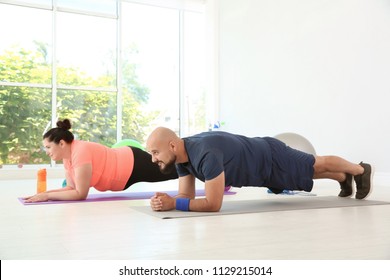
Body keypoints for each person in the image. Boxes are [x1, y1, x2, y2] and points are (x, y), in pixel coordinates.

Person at [146, 127, 373, 212]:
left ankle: (360, 170)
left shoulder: (206, 154)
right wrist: (169, 201)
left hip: (269, 155)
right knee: (305, 175)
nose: (153, 159)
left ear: (172, 145)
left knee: (316, 163)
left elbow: (213, 205)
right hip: (261, 172)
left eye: (155, 152)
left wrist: (175, 204)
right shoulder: (180, 158)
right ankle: (343, 177)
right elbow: (187, 196)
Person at [23, 119, 178, 203]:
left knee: (175, 170)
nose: (47, 152)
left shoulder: (80, 152)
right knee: (175, 170)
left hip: (132, 164)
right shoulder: (67, 158)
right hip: (126, 170)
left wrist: (48, 196)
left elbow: (80, 194)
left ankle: (194, 161)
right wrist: (44, 194)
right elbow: (71, 187)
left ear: (62, 143)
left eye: (48, 147)